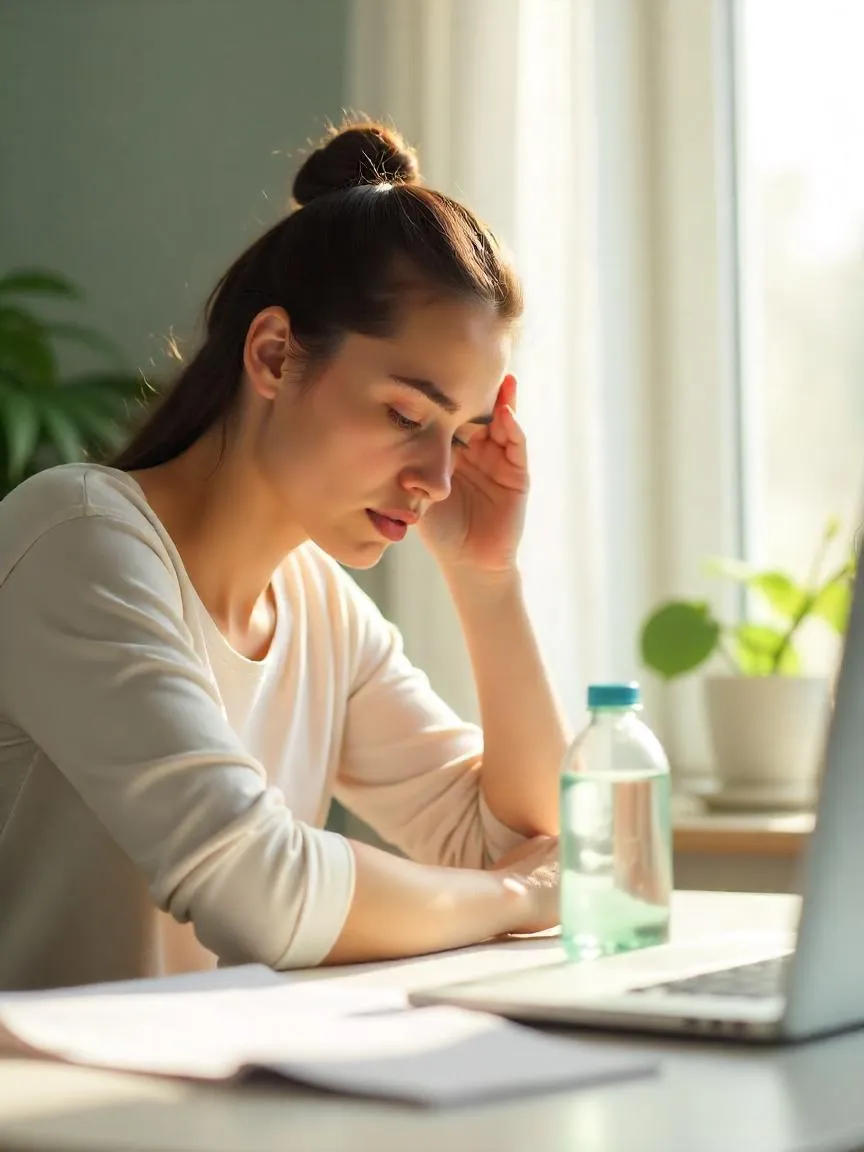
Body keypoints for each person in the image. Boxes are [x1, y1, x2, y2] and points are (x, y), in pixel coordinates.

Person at [0, 120, 567, 992]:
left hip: (210, 1099)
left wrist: (487, 580)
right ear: (273, 355)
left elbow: (525, 837)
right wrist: (509, 898)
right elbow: (261, 889)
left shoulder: (317, 603)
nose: (438, 478)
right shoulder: (77, 541)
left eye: (462, 433)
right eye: (407, 416)